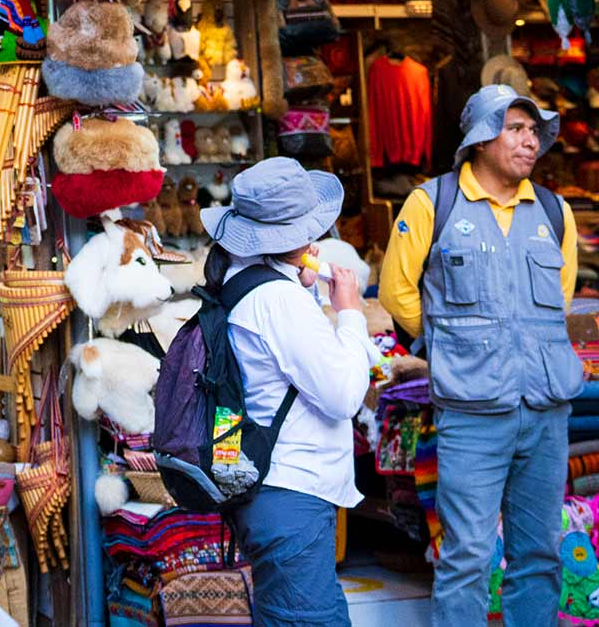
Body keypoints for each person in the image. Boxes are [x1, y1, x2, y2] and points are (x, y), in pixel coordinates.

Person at [379, 84, 584, 627]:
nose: (530, 141)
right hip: (471, 414)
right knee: (467, 555)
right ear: (480, 138)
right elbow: (396, 293)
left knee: (539, 553)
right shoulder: (433, 202)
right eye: (515, 128)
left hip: (545, 409)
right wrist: (455, 344)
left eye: (534, 130)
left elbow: (558, 300)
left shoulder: (554, 211)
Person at [201, 157, 369, 627]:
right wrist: (350, 313)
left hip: (265, 489)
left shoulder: (242, 283)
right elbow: (342, 395)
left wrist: (308, 295)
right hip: (291, 493)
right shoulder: (279, 300)